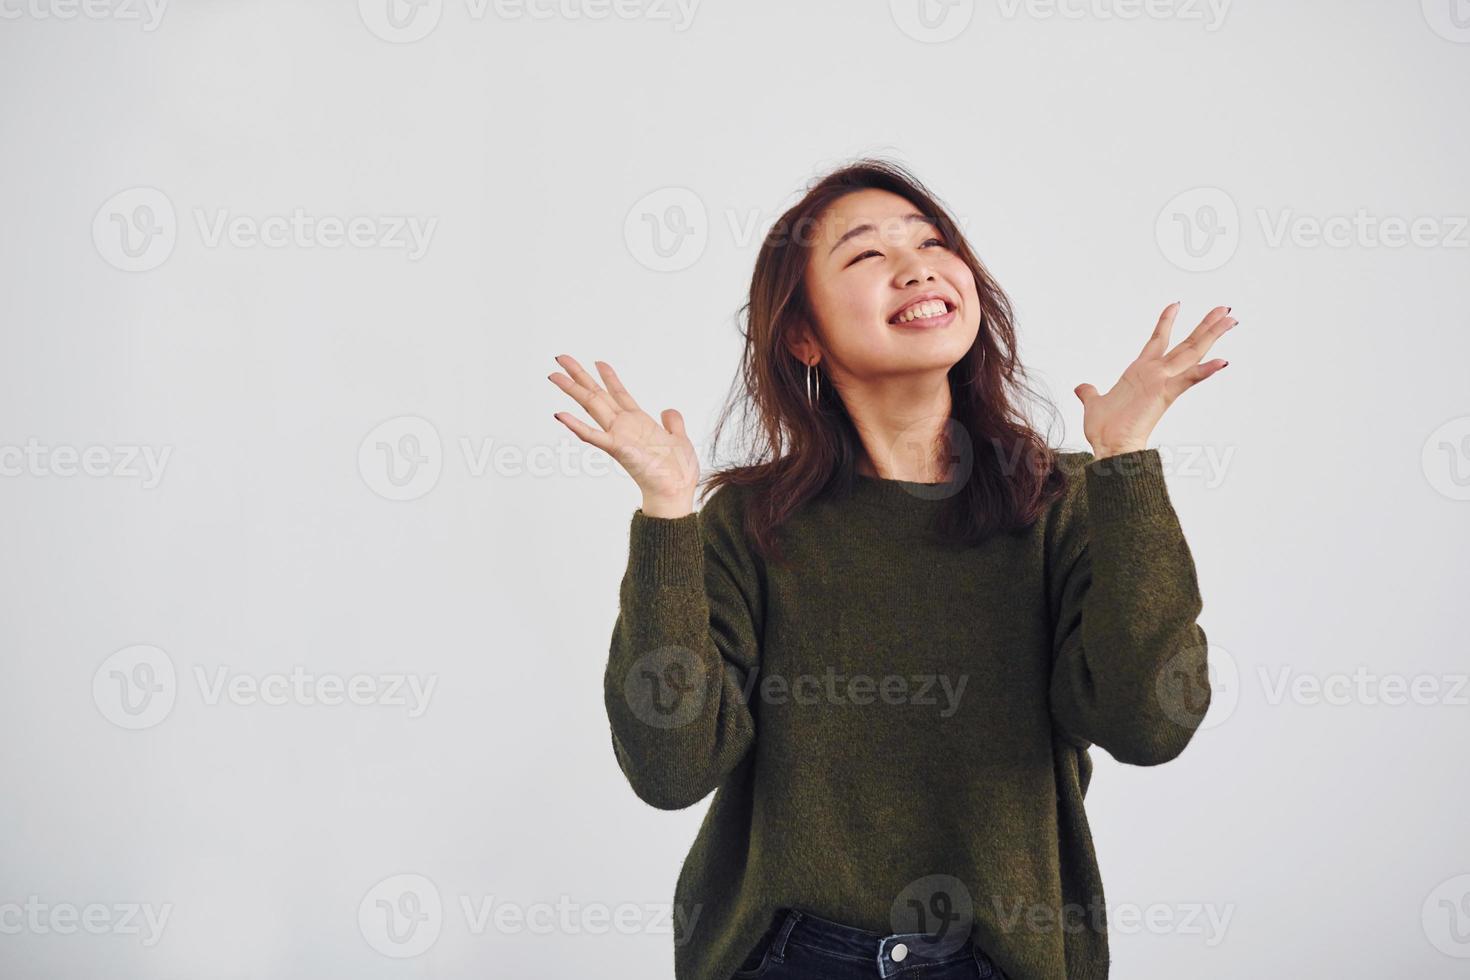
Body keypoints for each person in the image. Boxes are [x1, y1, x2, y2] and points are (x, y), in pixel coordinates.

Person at [548, 158, 1231, 980]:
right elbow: (671, 771)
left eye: (933, 242)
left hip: (1000, 959)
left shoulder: (1064, 502)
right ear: (802, 333)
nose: (917, 266)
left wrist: (1125, 462)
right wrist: (666, 511)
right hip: (791, 956)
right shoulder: (750, 524)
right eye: (866, 255)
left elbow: (1148, 727)